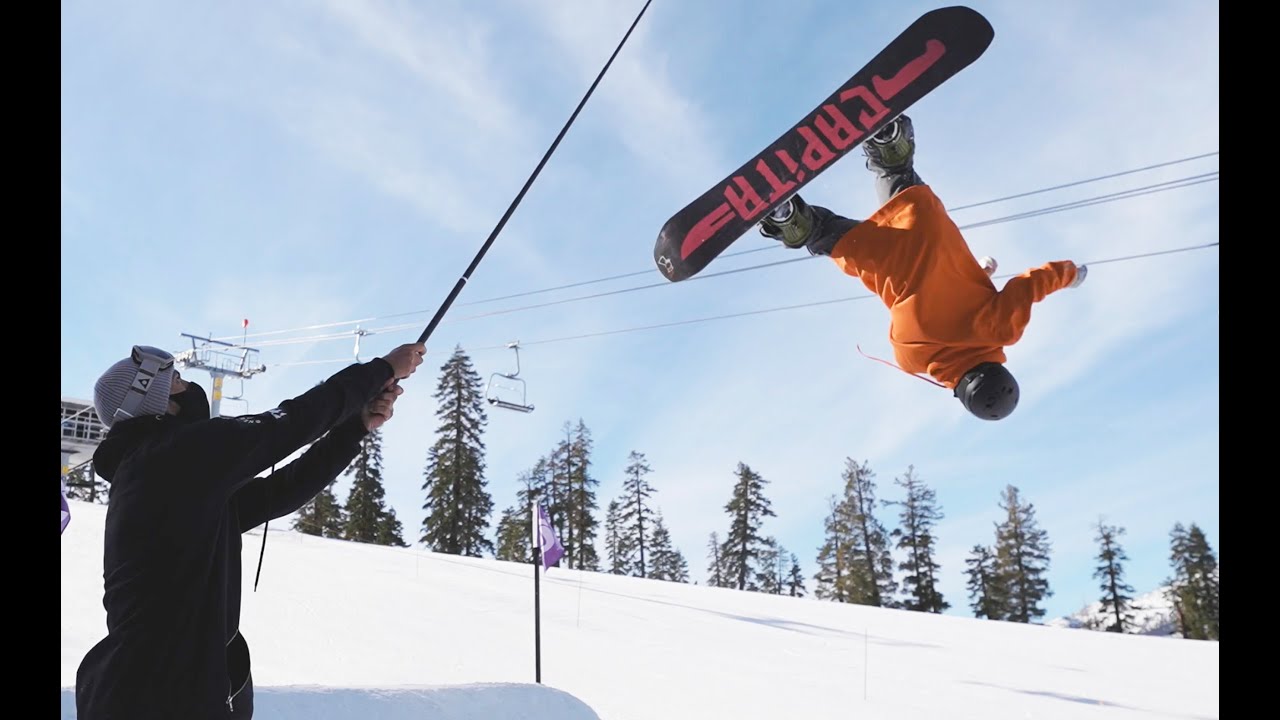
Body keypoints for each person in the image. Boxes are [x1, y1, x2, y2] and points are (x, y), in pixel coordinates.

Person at [74, 340, 426, 719]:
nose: (189, 386)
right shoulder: (168, 458)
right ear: (154, 404)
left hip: (159, 691)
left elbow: (283, 491)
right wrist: (382, 369)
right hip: (159, 696)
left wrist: (353, 428)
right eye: (175, 380)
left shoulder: (165, 479)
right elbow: (291, 422)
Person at [758, 114, 1087, 421]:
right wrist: (976, 279)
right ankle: (790, 220)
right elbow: (931, 307)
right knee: (824, 234)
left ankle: (888, 143)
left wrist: (1069, 275)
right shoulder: (911, 361)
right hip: (881, 261)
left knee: (897, 178)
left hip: (925, 232)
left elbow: (1030, 285)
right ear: (960, 392)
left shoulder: (1000, 329)